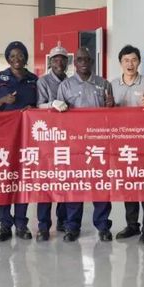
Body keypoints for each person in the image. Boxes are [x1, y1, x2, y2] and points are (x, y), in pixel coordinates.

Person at [55, 47, 115, 242]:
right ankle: (72, 226)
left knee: (101, 185)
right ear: (75, 63)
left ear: (92, 62)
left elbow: (110, 115)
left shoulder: (104, 84)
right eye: (79, 59)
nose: (83, 62)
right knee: (75, 185)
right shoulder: (65, 86)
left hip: (99, 144)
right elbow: (59, 117)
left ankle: (103, 226)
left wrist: (111, 107)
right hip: (75, 145)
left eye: (87, 59)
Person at [0, 41, 38, 242]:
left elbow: (41, 106)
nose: (17, 59)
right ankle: (4, 224)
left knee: (23, 180)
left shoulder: (33, 79)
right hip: (3, 138)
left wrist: (33, 110)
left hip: (26, 138)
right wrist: (2, 101)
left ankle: (21, 224)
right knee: (5, 180)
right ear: (8, 59)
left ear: (26, 58)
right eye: (13, 56)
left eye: (20, 55)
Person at [111, 45, 144, 244]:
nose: (130, 64)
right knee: (128, 185)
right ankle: (132, 225)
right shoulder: (113, 84)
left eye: (133, 60)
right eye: (126, 60)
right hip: (123, 143)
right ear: (120, 63)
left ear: (139, 62)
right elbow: (107, 113)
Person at [35, 45, 70, 240]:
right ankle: (43, 225)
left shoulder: (71, 81)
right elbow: (38, 105)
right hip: (48, 139)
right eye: (56, 59)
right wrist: (52, 104)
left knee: (64, 180)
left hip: (66, 139)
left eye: (63, 59)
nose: (59, 62)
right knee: (46, 182)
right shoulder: (43, 81)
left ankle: (62, 220)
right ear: (50, 62)